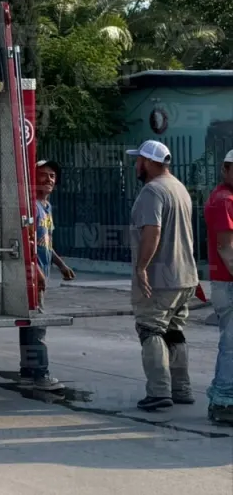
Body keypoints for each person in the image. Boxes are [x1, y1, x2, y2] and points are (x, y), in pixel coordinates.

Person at [126, 140, 200, 411]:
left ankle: (158, 391)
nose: (136, 165)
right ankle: (181, 388)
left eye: (138, 160)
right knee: (174, 332)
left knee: (150, 328)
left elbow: (152, 231)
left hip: (160, 279)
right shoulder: (179, 188)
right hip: (185, 276)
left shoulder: (152, 191)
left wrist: (142, 267)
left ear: (147, 162)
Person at [19, 160, 77, 391]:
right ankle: (40, 374)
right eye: (43, 175)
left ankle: (27, 371)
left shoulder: (46, 206)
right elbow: (27, 241)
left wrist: (61, 265)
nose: (49, 180)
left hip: (40, 273)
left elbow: (45, 243)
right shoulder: (32, 206)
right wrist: (38, 272)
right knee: (38, 325)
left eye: (52, 176)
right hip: (33, 276)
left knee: (30, 323)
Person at [203, 151, 233, 425]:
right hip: (229, 282)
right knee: (231, 345)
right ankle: (223, 402)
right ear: (226, 169)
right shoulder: (224, 200)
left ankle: (224, 397)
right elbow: (226, 246)